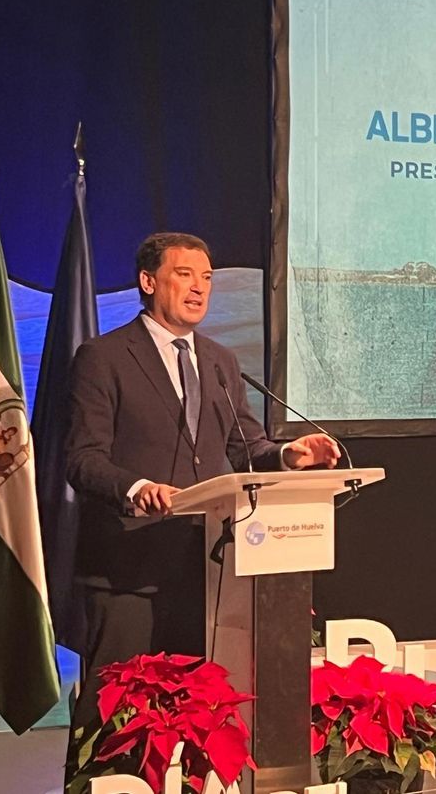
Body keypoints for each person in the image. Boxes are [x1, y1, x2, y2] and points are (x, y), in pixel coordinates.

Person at [62, 232, 340, 777]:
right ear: (148, 282)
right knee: (110, 720)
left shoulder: (218, 360)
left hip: (205, 576)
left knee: (190, 718)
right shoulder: (103, 357)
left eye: (207, 277)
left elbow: (244, 450)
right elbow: (81, 459)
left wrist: (289, 456)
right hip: (127, 574)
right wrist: (136, 487)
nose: (199, 287)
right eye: (184, 274)